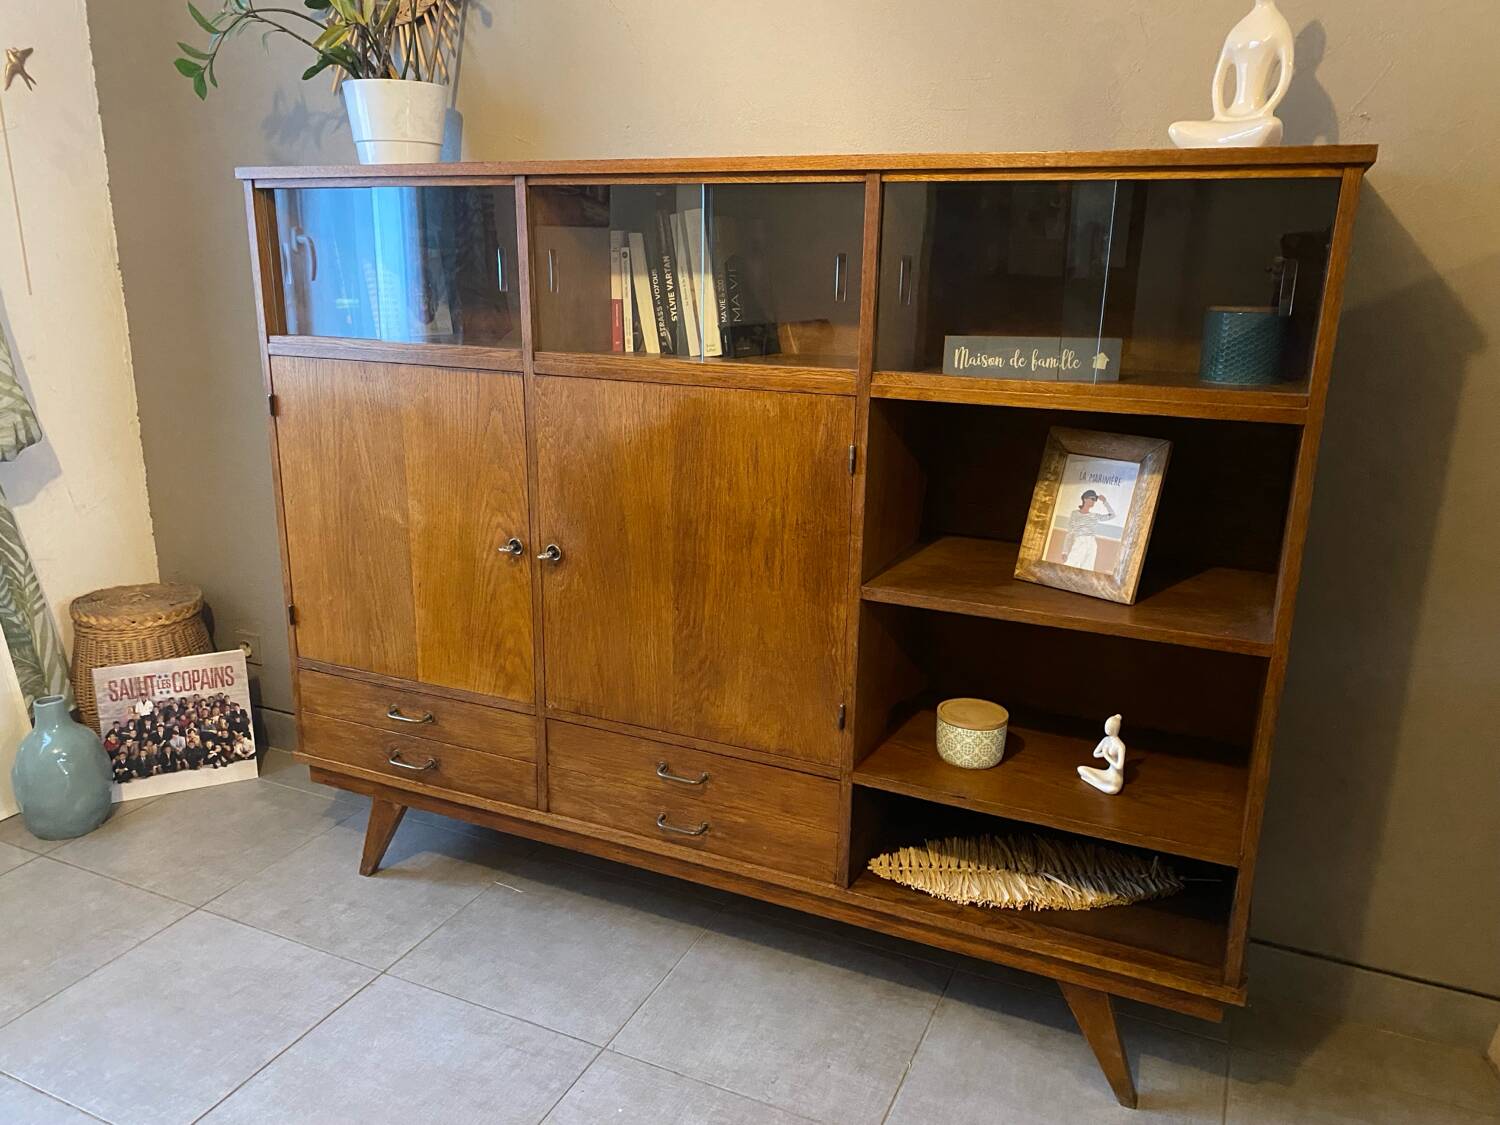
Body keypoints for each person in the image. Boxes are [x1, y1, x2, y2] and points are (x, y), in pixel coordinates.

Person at [1060, 489, 1115, 570]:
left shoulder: (1094, 516)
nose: (1094, 501)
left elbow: (1112, 515)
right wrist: (1065, 551)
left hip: (1092, 543)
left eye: (1095, 500)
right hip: (1080, 541)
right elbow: (1070, 533)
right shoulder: (1075, 513)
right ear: (1085, 499)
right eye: (1092, 499)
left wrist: (1105, 501)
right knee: (1071, 566)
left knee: (1087, 569)